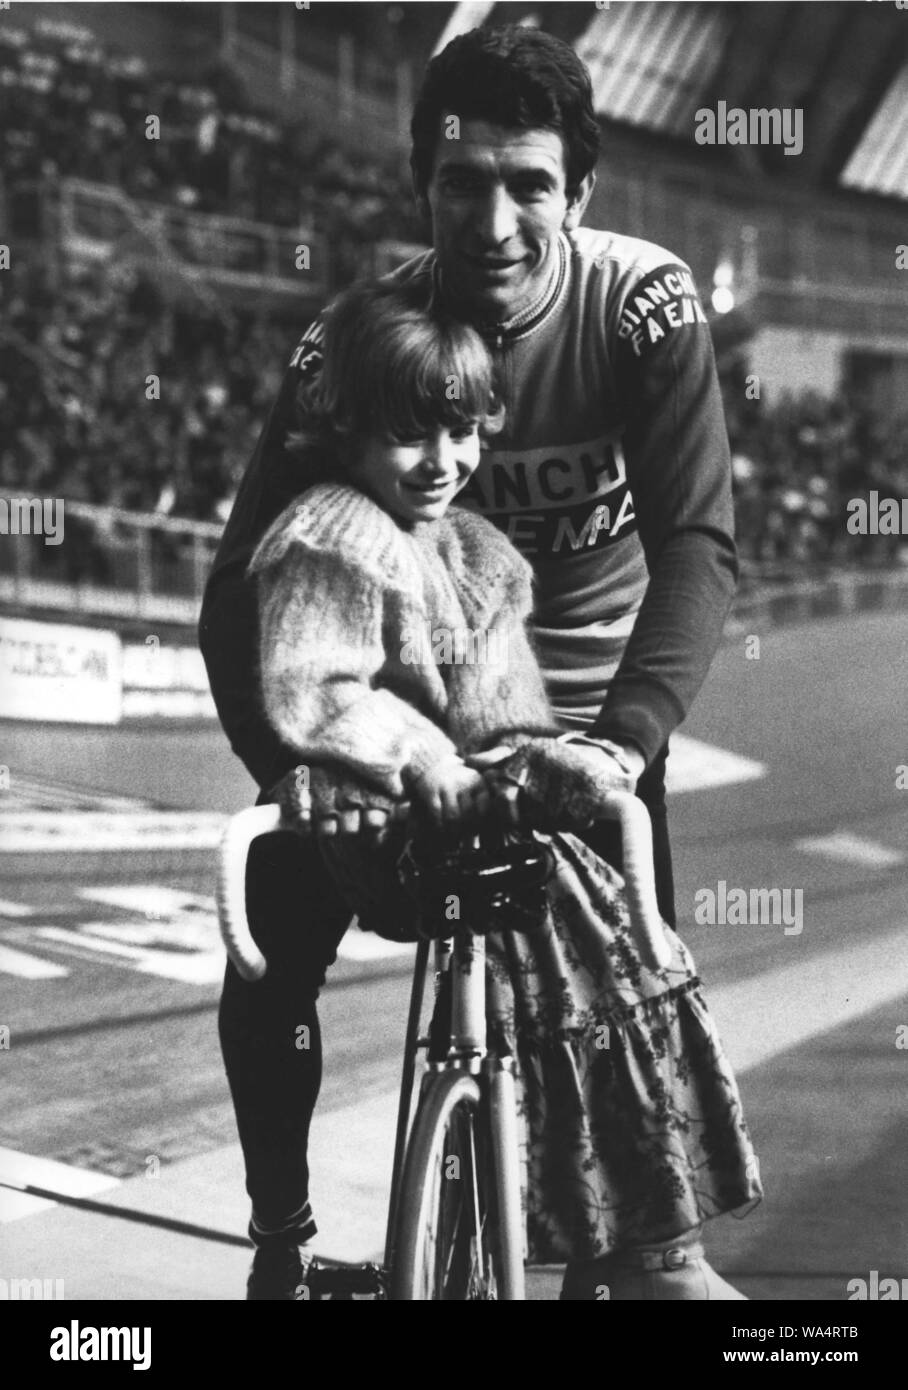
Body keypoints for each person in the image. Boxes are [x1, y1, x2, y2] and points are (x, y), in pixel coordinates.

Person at [200, 25, 743, 1299]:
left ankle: (640, 1254)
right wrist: (290, 764)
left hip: (580, 710)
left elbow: (698, 549)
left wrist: (621, 740)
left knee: (631, 967)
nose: (491, 219)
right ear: (418, 184)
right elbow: (243, 579)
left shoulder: (641, 304)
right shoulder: (357, 334)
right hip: (401, 709)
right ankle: (278, 1239)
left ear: (580, 195)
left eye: (529, 184)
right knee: (264, 952)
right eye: (460, 180)